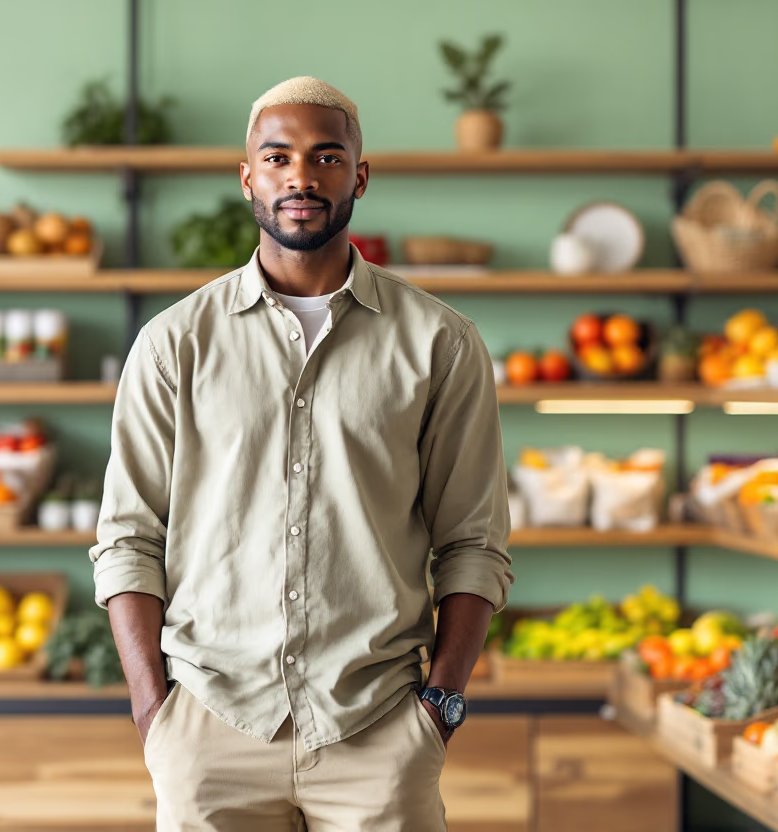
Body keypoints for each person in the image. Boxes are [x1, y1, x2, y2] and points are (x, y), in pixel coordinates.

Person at [90, 75, 513, 831]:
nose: (300, 177)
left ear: (360, 174)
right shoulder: (174, 343)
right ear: (248, 177)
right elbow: (128, 539)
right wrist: (154, 712)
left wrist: (439, 705)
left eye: (325, 157)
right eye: (278, 157)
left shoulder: (440, 343)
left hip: (379, 727)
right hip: (210, 728)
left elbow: (473, 543)